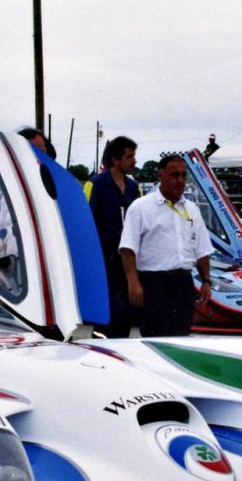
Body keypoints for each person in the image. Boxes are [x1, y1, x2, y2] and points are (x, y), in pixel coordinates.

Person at [118, 155, 212, 337]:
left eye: (184, 175)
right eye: (174, 175)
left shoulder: (192, 209)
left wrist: (206, 281)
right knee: (155, 340)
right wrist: (133, 283)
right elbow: (128, 249)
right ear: (160, 175)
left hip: (183, 284)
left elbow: (202, 249)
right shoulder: (141, 207)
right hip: (154, 285)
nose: (180, 180)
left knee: (182, 340)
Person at [87, 136, 140, 337]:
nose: (134, 161)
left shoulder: (134, 188)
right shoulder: (96, 185)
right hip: (105, 261)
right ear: (116, 160)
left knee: (126, 316)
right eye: (130, 156)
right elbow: (87, 225)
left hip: (128, 263)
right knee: (108, 316)